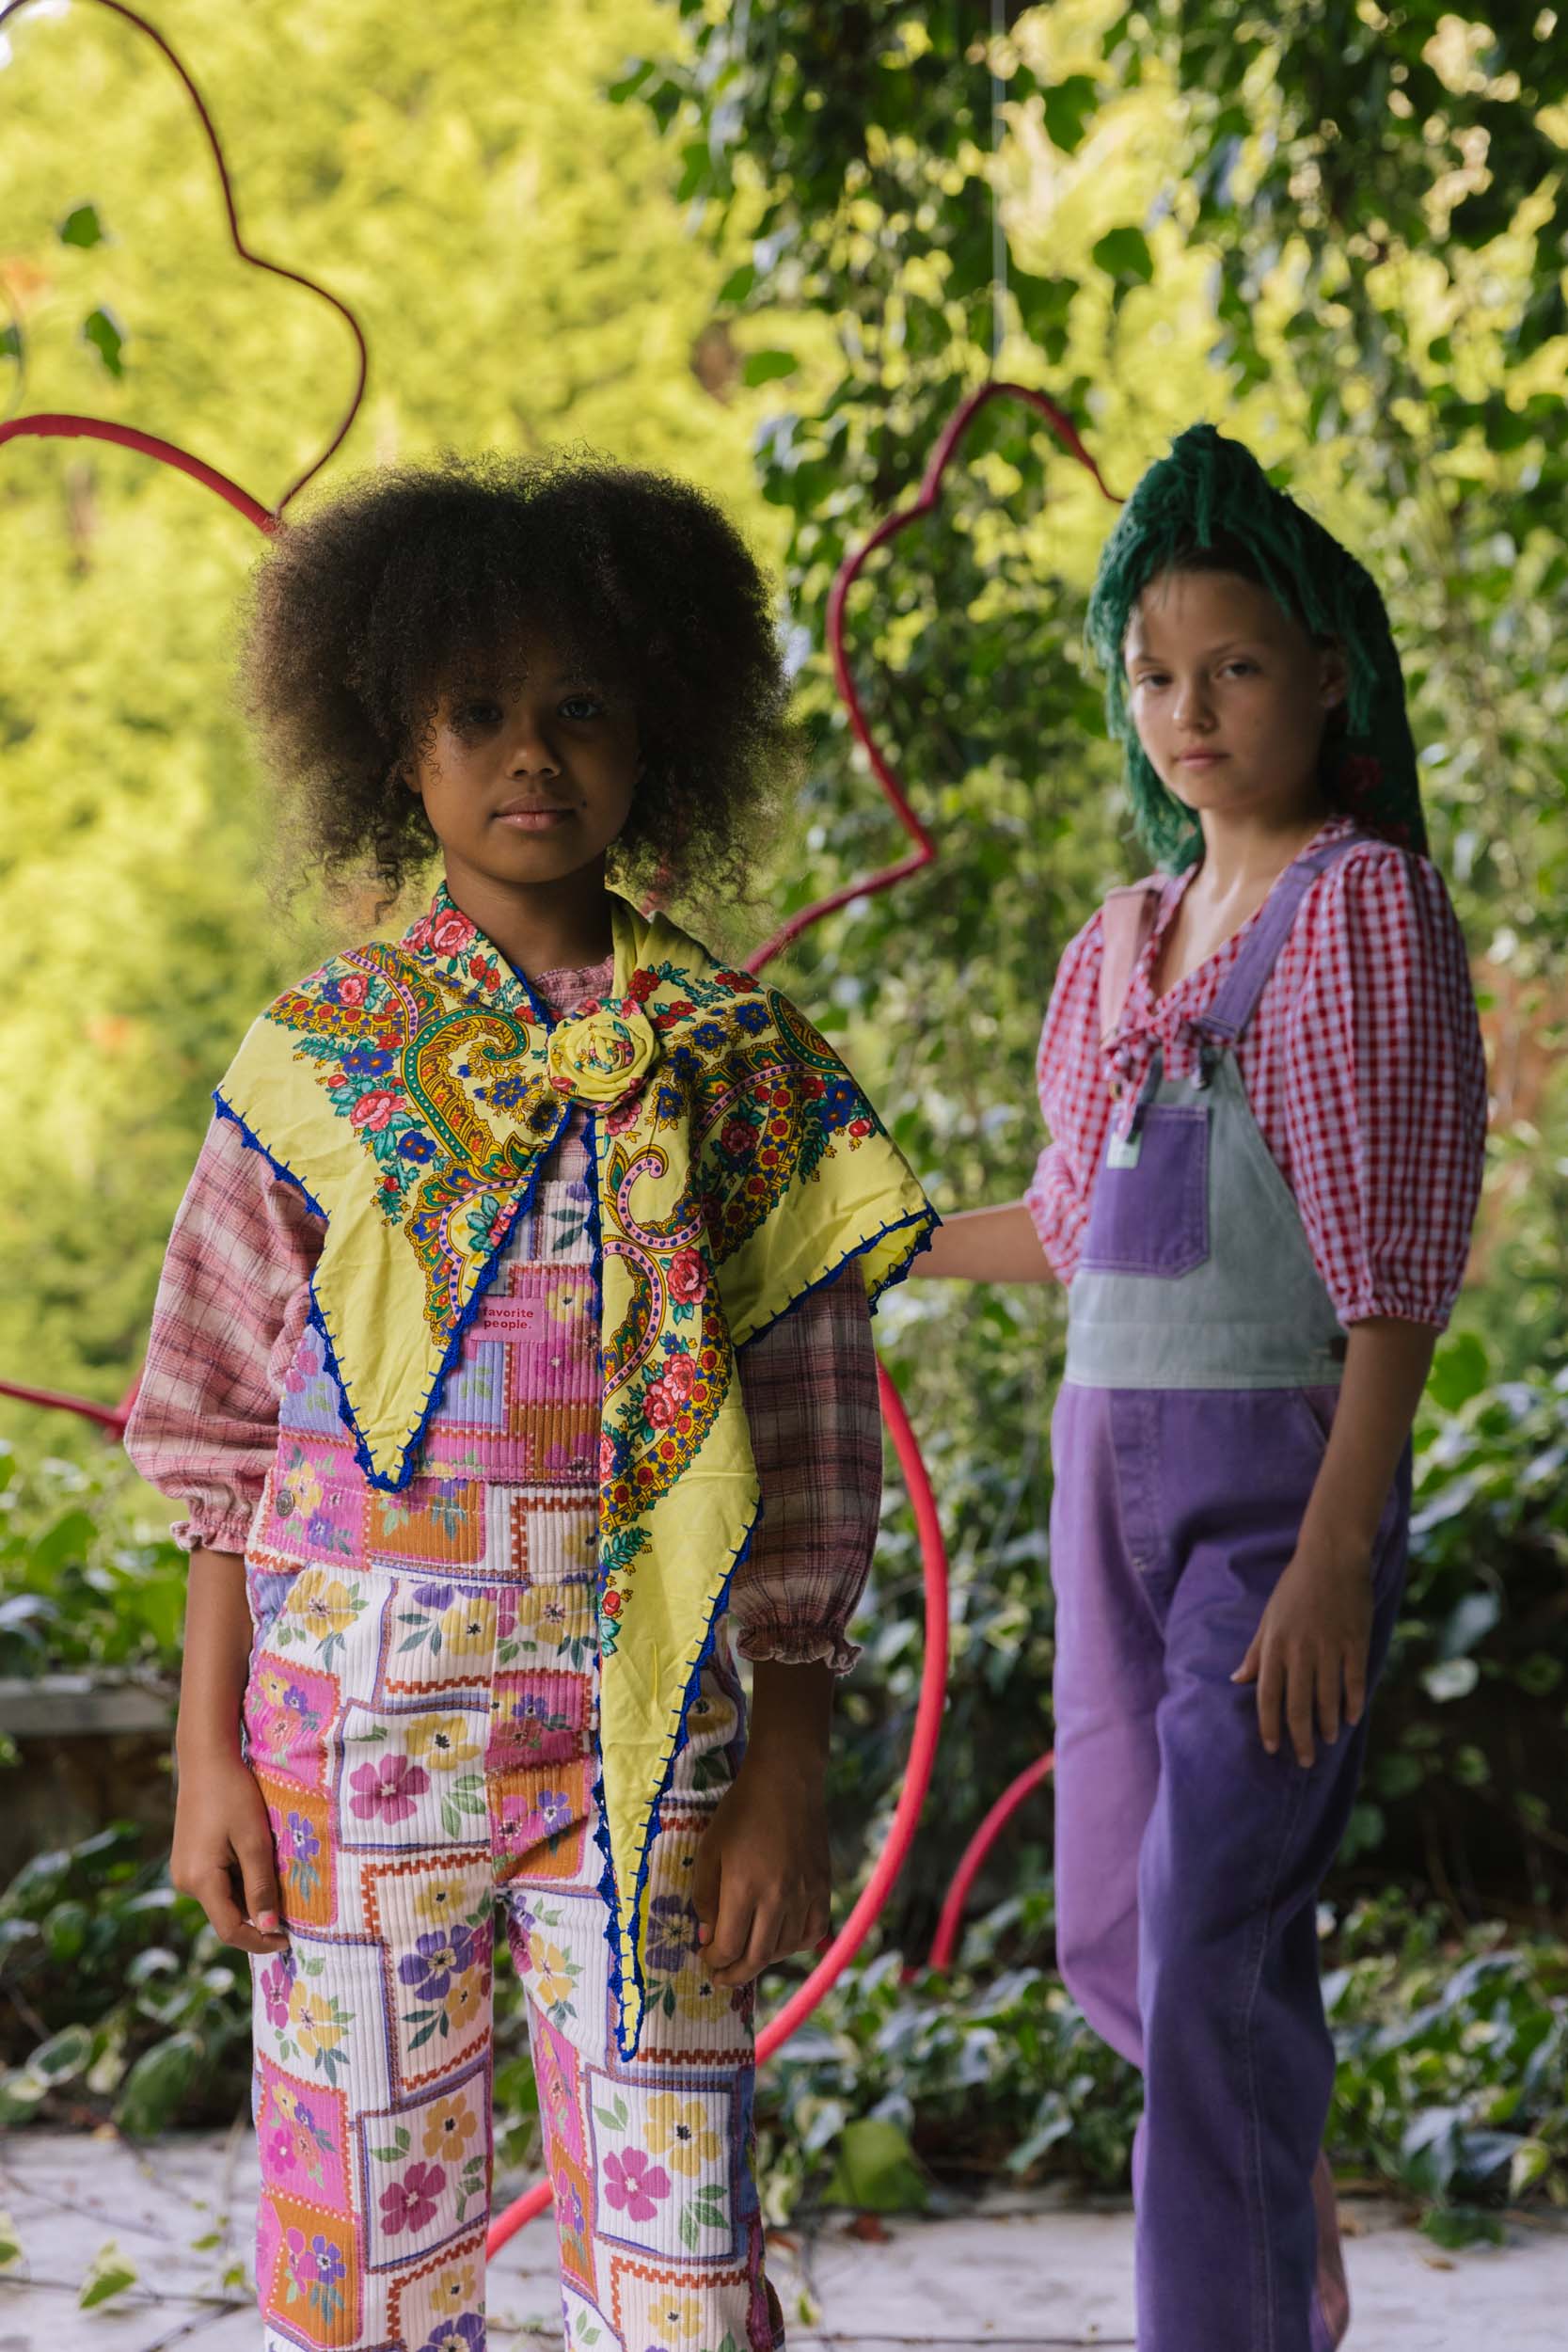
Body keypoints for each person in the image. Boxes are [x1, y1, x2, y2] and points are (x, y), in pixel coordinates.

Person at [124, 450, 935, 2352]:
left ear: (661, 731)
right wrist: (205, 1752)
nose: (531, 755)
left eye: (581, 706)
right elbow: (220, 1428)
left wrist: (792, 1761)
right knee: (362, 2255)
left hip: (651, 1741)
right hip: (351, 1736)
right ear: (393, 744)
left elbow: (818, 1446)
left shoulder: (743, 1069)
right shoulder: (317, 1058)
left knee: (679, 2261)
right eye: (477, 710)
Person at [913, 423, 1487, 2352]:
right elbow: (1069, 1225)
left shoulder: (1362, 909)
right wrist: (869, 1247)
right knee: (1111, 1927)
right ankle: (1274, 2184)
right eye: (1155, 673)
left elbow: (1395, 1277)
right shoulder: (1118, 947)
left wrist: (1334, 1548)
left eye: (1233, 666)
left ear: (1326, 671)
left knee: (1207, 1926)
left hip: (1274, 1493)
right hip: (1106, 1491)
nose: (1190, 709)